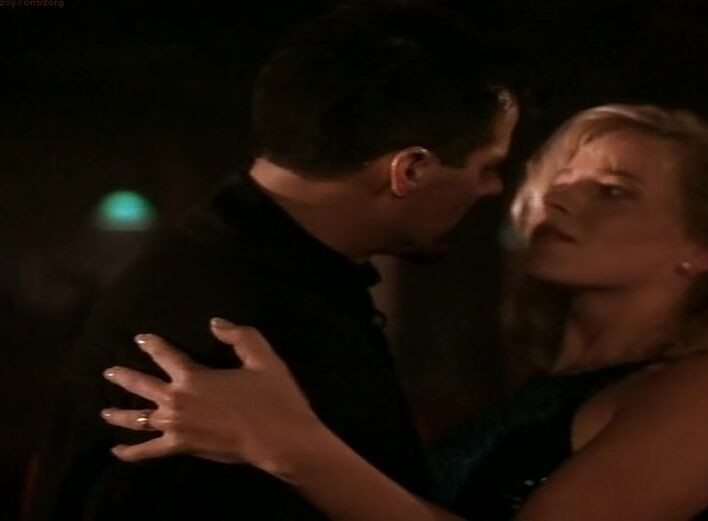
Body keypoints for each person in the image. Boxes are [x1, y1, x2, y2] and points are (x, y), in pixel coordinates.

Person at [99, 104, 708, 520]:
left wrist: (288, 443)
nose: (558, 198)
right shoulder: (554, 379)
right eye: (561, 179)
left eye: (612, 192)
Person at [27, 5, 519, 521]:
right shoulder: (242, 318)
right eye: (488, 167)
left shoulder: (251, 265)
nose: (492, 188)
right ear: (410, 170)